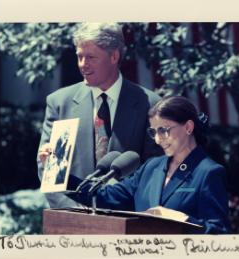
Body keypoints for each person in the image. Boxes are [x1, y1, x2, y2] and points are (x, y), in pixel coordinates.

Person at [38, 23, 163, 208]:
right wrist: (77, 215)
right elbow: (49, 169)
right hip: (73, 220)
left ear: (114, 56)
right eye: (79, 57)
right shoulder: (59, 102)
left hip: (128, 222)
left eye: (90, 57)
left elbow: (155, 170)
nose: (82, 65)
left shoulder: (150, 104)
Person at [68, 96, 230, 234]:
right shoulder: (151, 167)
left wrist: (181, 220)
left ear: (188, 127)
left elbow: (219, 233)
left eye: (164, 130)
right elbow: (104, 196)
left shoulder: (209, 172)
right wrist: (58, 174)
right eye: (154, 132)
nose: (158, 140)